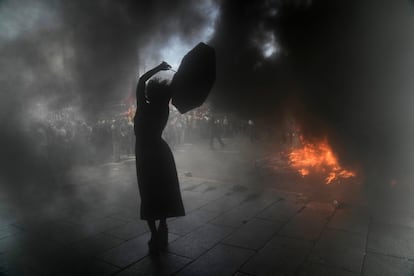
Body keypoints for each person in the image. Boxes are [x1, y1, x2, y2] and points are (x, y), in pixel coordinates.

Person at [134, 61, 185, 254]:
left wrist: (159, 68)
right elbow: (172, 88)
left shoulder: (143, 106)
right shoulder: (163, 108)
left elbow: (141, 80)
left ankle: (155, 233)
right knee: (163, 188)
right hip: (160, 151)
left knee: (147, 192)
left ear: (148, 93)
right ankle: (163, 224)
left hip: (145, 153)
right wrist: (180, 77)